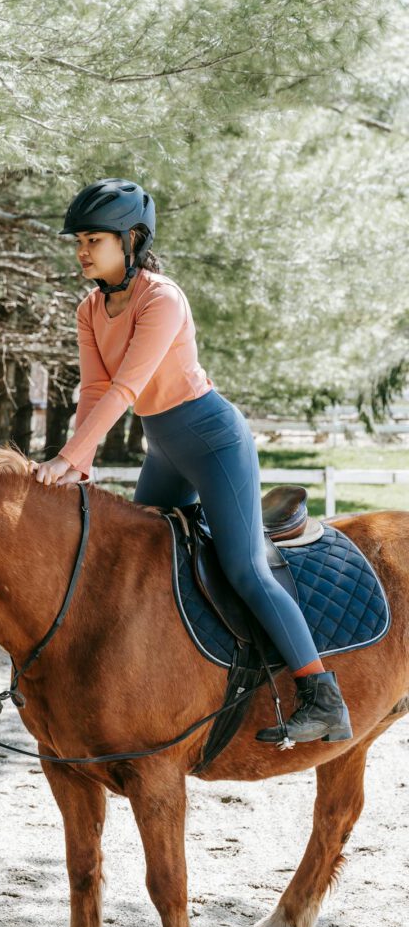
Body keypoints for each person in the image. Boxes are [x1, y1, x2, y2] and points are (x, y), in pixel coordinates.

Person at [34, 178, 351, 747]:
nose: (81, 251)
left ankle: (321, 695)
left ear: (131, 239)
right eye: (78, 241)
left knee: (246, 567)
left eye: (93, 240)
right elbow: (93, 388)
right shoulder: (90, 307)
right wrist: (76, 464)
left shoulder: (163, 298)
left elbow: (128, 387)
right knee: (136, 560)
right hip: (164, 444)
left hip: (212, 440)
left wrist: (68, 456)